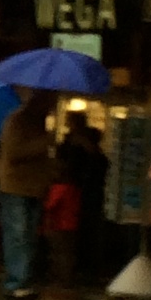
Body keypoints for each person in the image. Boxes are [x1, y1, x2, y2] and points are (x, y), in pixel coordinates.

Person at [0, 94, 57, 300]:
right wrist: (43, 143)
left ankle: (25, 278)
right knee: (18, 234)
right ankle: (16, 281)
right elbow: (13, 152)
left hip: (35, 187)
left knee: (29, 235)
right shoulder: (16, 121)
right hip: (16, 186)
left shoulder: (40, 123)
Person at [51, 121, 109, 288]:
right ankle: (80, 272)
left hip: (75, 209)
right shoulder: (97, 159)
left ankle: (68, 275)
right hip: (84, 203)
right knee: (76, 243)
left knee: (66, 247)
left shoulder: (82, 161)